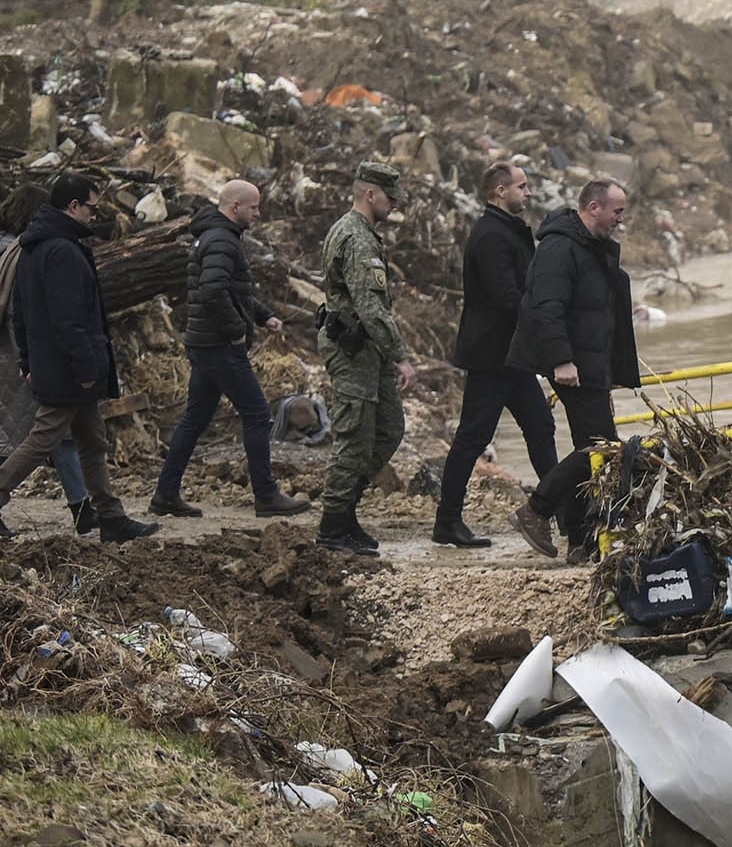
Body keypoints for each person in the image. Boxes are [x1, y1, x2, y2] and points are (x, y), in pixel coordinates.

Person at [0, 175, 158, 542]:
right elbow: (69, 319)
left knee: (92, 440)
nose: (94, 214)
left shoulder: (35, 245)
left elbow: (22, 310)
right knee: (42, 440)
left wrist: (27, 357)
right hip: (69, 368)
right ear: (72, 207)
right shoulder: (63, 251)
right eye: (91, 207)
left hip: (55, 363)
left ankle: (110, 515)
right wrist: (86, 369)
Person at [151, 178, 307, 522]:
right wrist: (236, 330)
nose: (258, 213)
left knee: (194, 420)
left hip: (204, 343)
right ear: (234, 207)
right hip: (220, 345)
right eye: (253, 207)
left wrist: (264, 316)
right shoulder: (222, 239)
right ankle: (266, 496)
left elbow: (231, 289)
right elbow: (212, 290)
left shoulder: (216, 235)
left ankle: (165, 494)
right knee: (256, 415)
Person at [506, 177, 641, 554]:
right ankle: (537, 509)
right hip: (571, 365)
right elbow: (546, 308)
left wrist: (614, 370)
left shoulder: (591, 247)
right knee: (603, 449)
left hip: (591, 364)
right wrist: (560, 360)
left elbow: (598, 312)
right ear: (593, 208)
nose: (620, 220)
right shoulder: (559, 248)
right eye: (617, 211)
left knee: (594, 450)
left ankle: (582, 541)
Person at [431, 161, 557, 547]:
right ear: (500, 191)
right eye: (522, 186)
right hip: (491, 355)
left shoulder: (510, 231)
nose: (529, 192)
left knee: (541, 427)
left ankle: (558, 511)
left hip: (513, 355)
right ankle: (447, 521)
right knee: (473, 437)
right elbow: (506, 296)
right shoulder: (490, 235)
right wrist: (545, 322)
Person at [314, 161, 420, 556]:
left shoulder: (364, 234)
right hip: (353, 350)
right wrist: (402, 357)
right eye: (390, 198)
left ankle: (346, 512)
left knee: (389, 429)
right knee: (354, 439)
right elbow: (371, 307)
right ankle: (332, 525)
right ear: (370, 194)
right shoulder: (356, 238)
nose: (394, 205)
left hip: (368, 350)